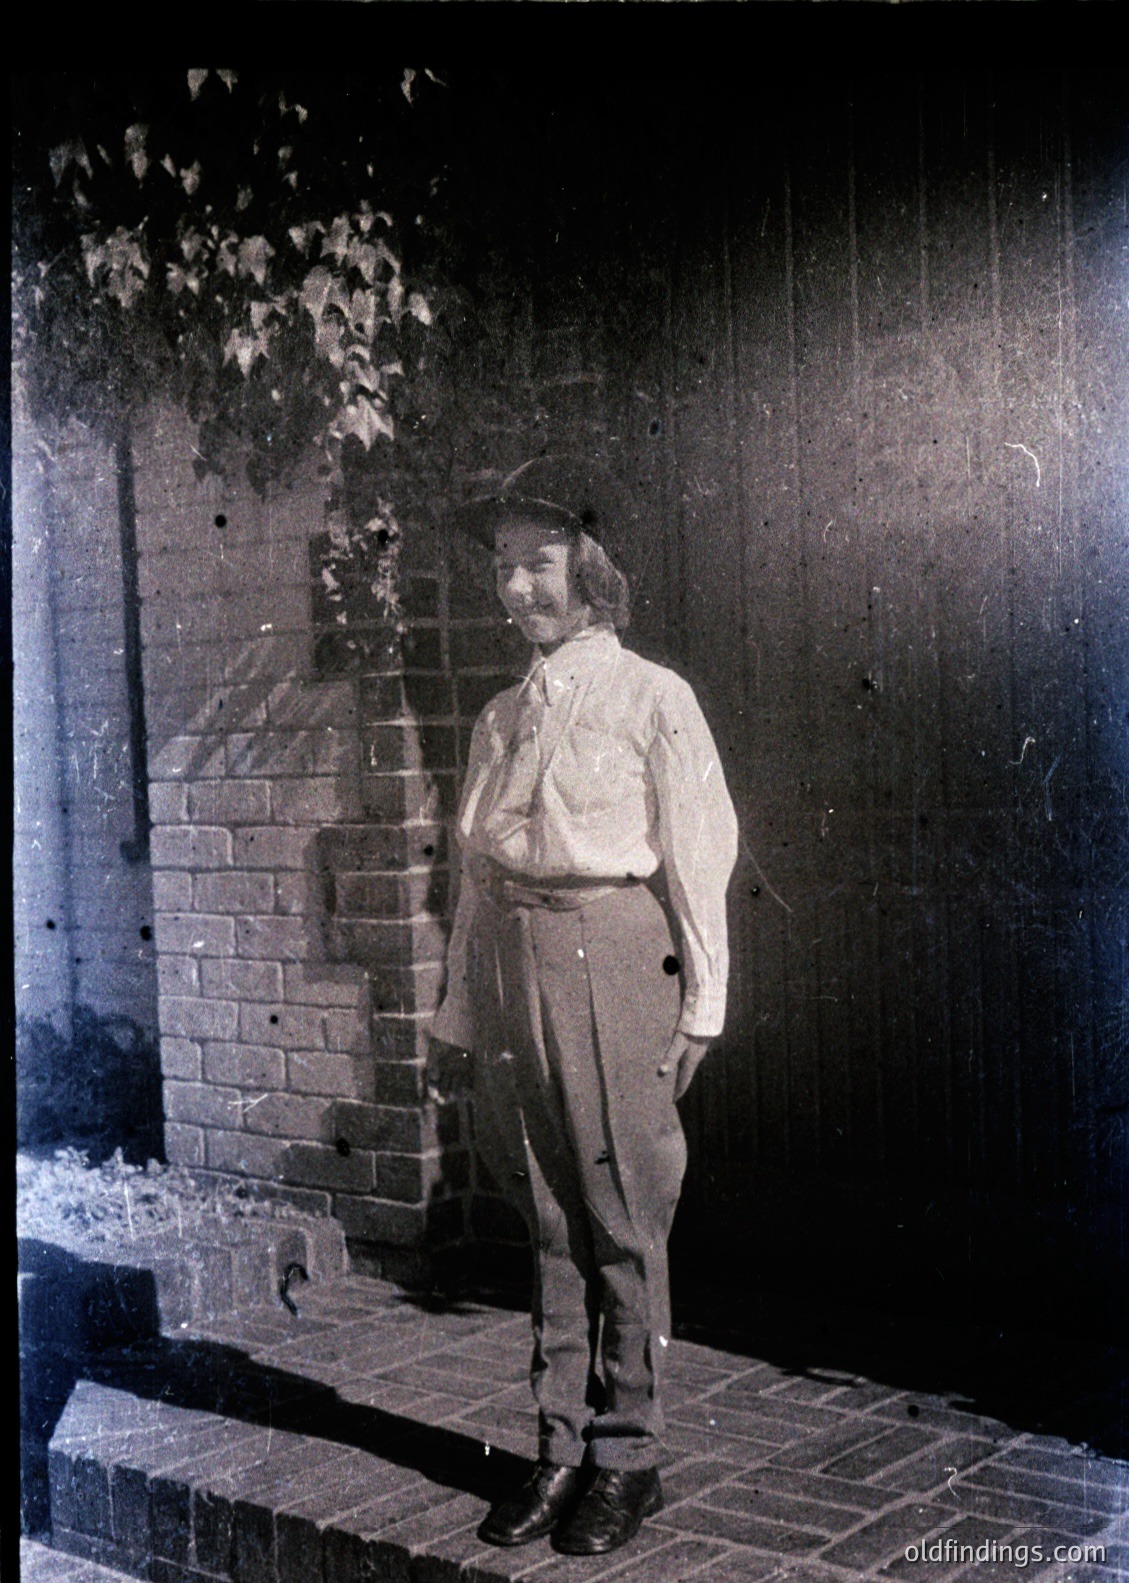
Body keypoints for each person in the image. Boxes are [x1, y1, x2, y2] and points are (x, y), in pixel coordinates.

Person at [428, 455, 739, 1557]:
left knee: (619, 1203)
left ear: (590, 568)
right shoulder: (499, 715)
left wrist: (702, 1000)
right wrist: (458, 1016)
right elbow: (474, 879)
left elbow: (698, 851)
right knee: (547, 1211)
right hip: (514, 957)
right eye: (504, 567)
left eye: (540, 562)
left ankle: (628, 1450)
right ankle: (557, 1443)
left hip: (610, 951)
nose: (518, 587)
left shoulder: (653, 695)